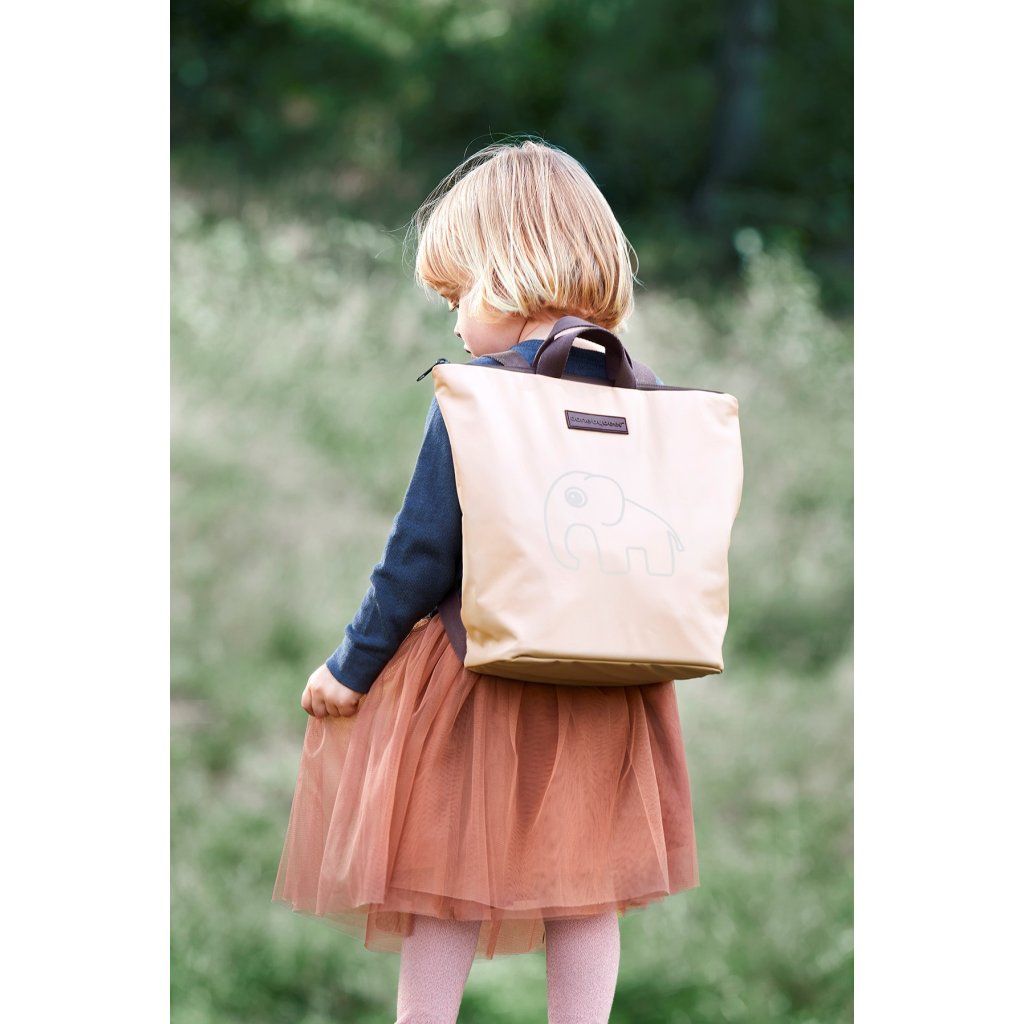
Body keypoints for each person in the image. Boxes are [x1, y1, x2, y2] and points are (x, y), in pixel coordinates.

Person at [272, 139, 699, 1024]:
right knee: (587, 884)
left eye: (456, 296)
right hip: (611, 684)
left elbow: (419, 554)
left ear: (505, 275)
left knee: (443, 868)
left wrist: (350, 668)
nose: (457, 324)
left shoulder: (481, 395)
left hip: (484, 677)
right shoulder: (649, 402)